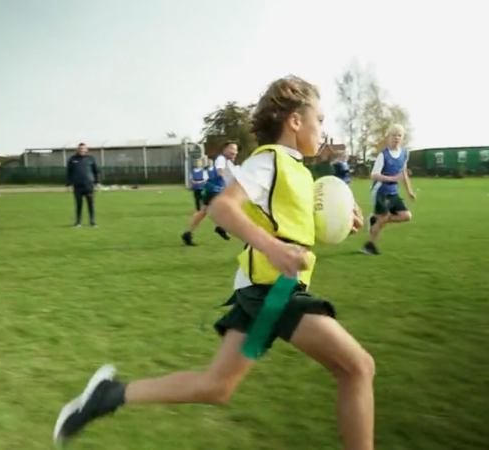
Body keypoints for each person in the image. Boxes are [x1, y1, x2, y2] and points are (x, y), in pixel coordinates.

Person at [53, 76, 375, 450]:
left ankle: (108, 395)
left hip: (269, 293)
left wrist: (339, 223)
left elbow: (289, 226)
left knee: (217, 387)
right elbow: (222, 207)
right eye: (318, 118)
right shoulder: (269, 161)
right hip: (272, 293)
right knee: (357, 368)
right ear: (295, 121)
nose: (322, 126)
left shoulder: (298, 171)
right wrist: (272, 248)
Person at [362, 124, 416, 255]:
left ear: (402, 138)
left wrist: (409, 191)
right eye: (393, 135)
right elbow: (374, 175)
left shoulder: (404, 154)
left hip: (393, 192)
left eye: (399, 135)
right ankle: (370, 245)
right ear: (388, 138)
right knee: (382, 220)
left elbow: (403, 173)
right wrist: (392, 178)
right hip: (380, 192)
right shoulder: (383, 155)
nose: (396, 138)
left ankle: (374, 219)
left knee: (406, 216)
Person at [181, 141, 238, 246]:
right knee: (223, 209)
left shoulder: (228, 162)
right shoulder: (221, 159)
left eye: (236, 150)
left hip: (216, 189)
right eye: (232, 149)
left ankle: (188, 233)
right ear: (225, 150)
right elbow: (220, 173)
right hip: (213, 189)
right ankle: (220, 227)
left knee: (203, 212)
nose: (235, 151)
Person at [65, 143, 100, 227]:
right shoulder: (72, 159)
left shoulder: (91, 159)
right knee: (78, 204)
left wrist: (97, 182)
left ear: (86, 150)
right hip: (77, 185)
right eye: (80, 149)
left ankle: (92, 222)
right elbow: (69, 172)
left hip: (88, 185)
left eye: (83, 149)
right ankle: (78, 222)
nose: (82, 150)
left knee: (90, 204)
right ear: (77, 149)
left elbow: (96, 171)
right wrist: (68, 184)